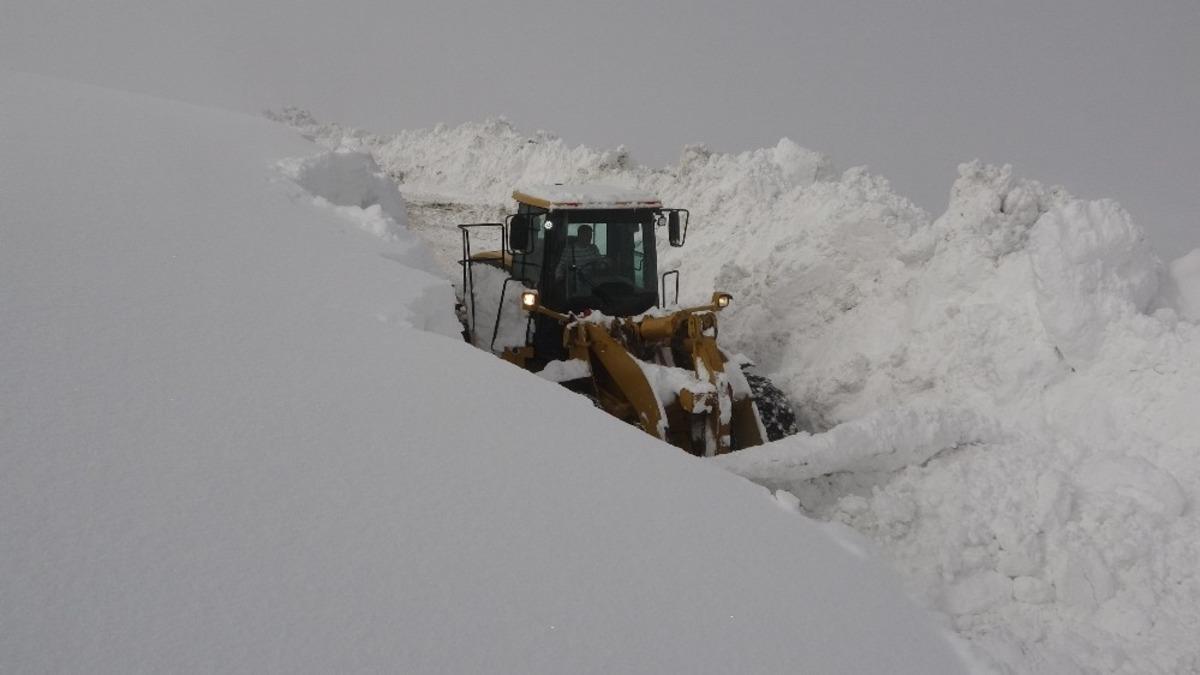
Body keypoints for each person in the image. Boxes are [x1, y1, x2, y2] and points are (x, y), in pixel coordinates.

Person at [554, 224, 604, 292]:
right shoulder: (570, 250)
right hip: (576, 285)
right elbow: (561, 266)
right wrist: (559, 277)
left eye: (590, 235)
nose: (589, 238)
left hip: (593, 282)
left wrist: (604, 264)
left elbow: (600, 262)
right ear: (580, 235)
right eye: (587, 235)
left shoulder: (593, 248)